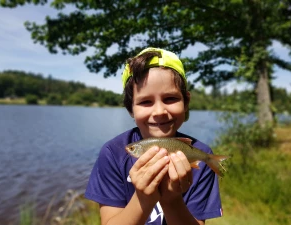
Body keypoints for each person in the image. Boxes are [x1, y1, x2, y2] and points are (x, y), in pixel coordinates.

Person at [85, 47, 223, 225]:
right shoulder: (113, 153)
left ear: (186, 101)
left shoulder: (201, 154)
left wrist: (171, 199)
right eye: (145, 102)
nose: (159, 111)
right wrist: (143, 197)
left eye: (170, 99)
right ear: (130, 108)